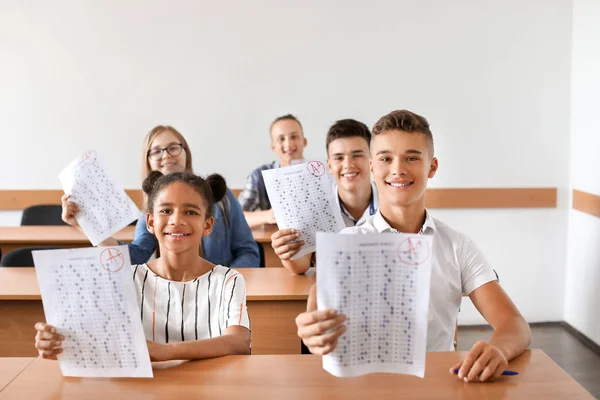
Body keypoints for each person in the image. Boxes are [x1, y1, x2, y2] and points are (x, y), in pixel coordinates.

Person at [295, 110, 531, 383]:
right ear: (372, 167)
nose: (398, 169)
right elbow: (315, 316)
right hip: (361, 387)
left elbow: (514, 324)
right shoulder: (346, 242)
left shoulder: (457, 245)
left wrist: (498, 349)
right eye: (385, 158)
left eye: (412, 157)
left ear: (432, 167)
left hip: (437, 384)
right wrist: (312, 333)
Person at [35, 171, 251, 361]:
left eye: (191, 212)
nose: (176, 220)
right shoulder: (126, 279)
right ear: (150, 222)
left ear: (207, 224)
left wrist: (166, 351)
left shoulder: (228, 280)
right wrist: (56, 344)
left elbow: (239, 342)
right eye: (166, 211)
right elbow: (96, 343)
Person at [61, 125, 260, 267]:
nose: (166, 155)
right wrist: (85, 225)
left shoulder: (221, 198)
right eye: (156, 151)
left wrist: (226, 281)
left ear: (185, 151)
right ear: (148, 161)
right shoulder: (151, 207)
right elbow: (136, 255)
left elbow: (248, 251)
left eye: (173, 147)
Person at [270, 119, 378, 274]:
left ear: (371, 160)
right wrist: (286, 253)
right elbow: (301, 266)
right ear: (329, 166)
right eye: (339, 158)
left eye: (357, 155)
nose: (348, 164)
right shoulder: (313, 204)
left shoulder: (392, 202)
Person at [238, 114, 308, 228]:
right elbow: (236, 217)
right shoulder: (258, 176)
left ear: (304, 141)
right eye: (281, 139)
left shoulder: (320, 173)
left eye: (294, 137)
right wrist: (267, 216)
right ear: (273, 146)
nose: (288, 144)